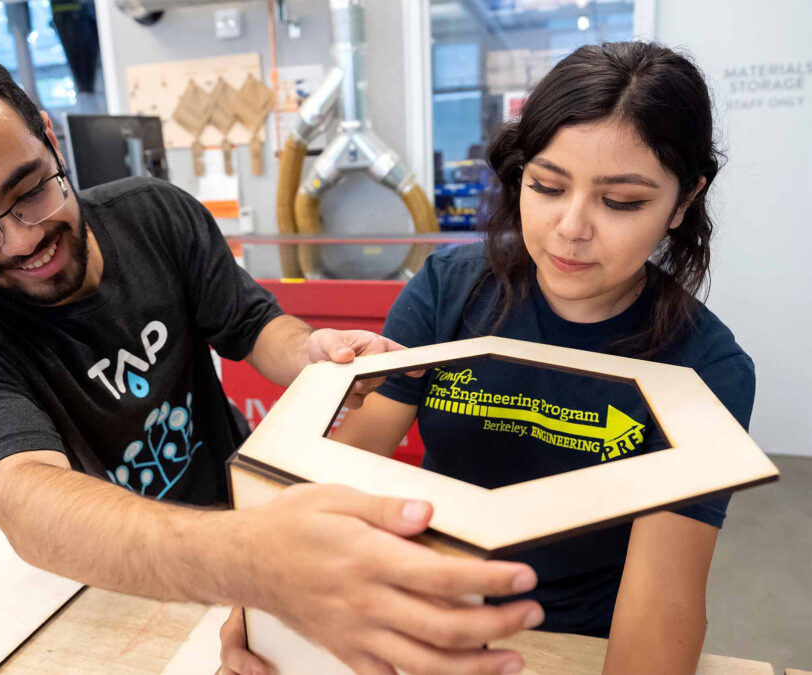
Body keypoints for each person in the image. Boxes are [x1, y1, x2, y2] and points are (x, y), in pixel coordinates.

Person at [0, 42, 544, 675]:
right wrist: (253, 561)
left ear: (51, 138)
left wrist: (310, 353)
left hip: (243, 530)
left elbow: (250, 323)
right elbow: (29, 500)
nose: (20, 239)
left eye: (29, 190)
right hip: (109, 583)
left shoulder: (156, 214)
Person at [222, 41, 754, 674]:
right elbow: (342, 478)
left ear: (683, 201)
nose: (570, 227)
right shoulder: (450, 289)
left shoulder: (704, 367)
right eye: (548, 187)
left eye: (621, 202)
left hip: (576, 640)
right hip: (421, 607)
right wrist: (262, 610)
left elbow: (662, 602)